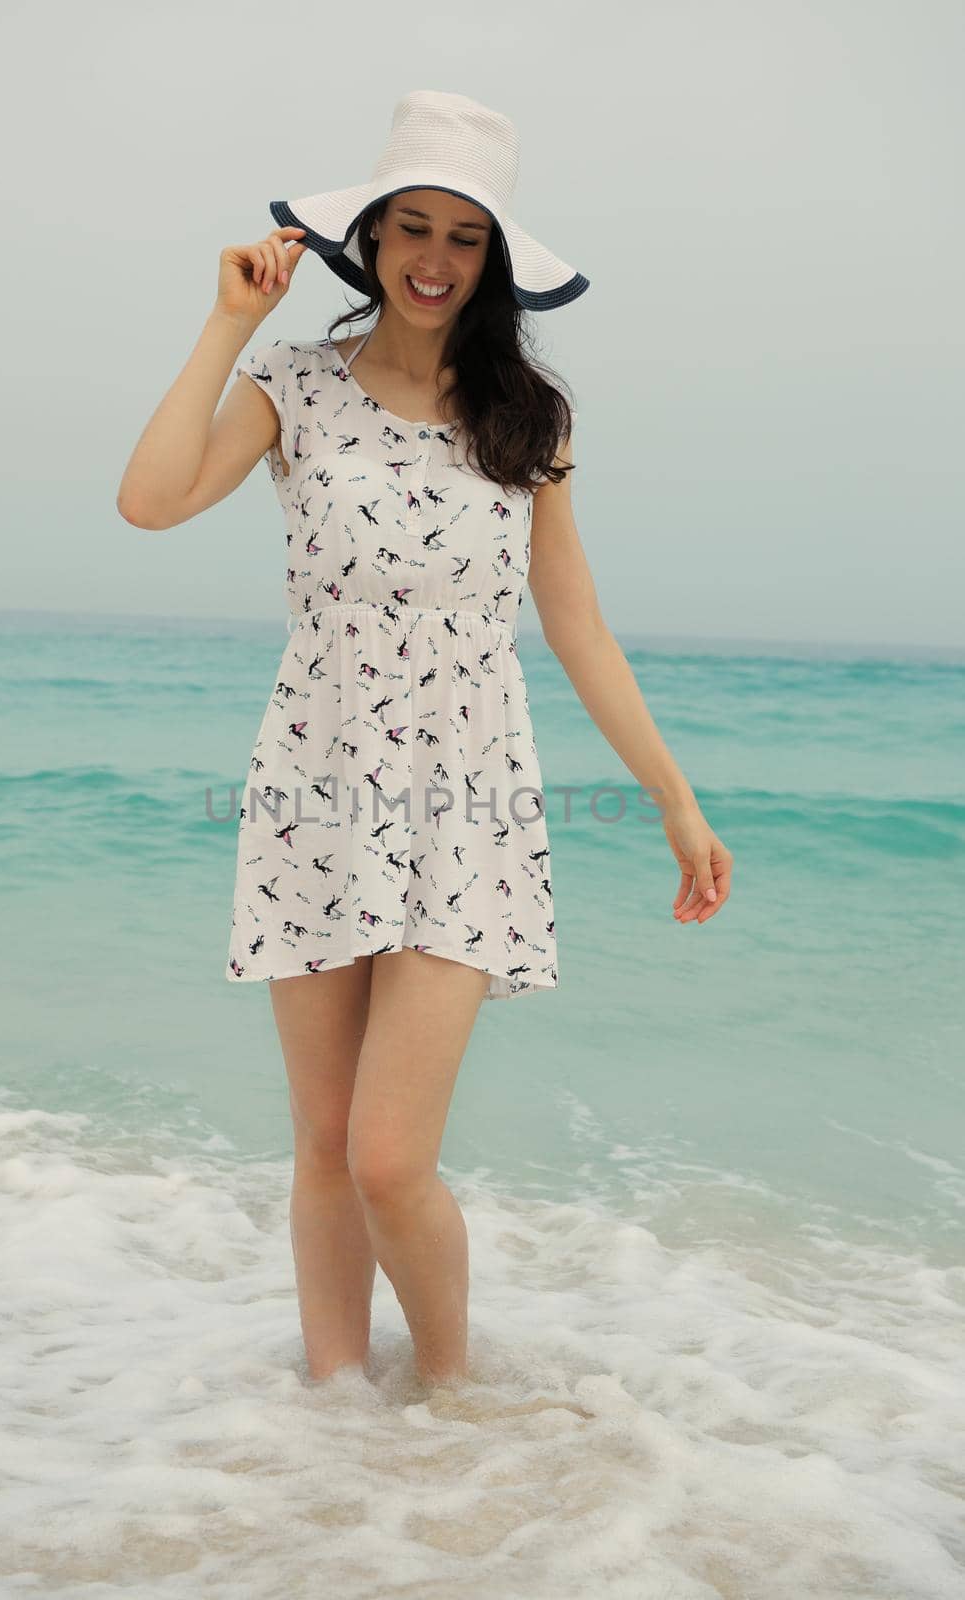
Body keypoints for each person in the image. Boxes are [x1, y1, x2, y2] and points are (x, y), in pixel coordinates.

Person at [117, 90, 733, 1390]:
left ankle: (452, 1403)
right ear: (372, 239)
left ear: (494, 259)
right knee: (326, 1141)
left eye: (465, 235)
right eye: (412, 227)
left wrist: (674, 799)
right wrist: (232, 320)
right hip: (314, 784)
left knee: (392, 1156)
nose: (435, 258)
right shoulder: (292, 384)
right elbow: (152, 500)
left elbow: (578, 630)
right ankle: (336, 1430)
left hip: (470, 797)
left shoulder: (530, 418)